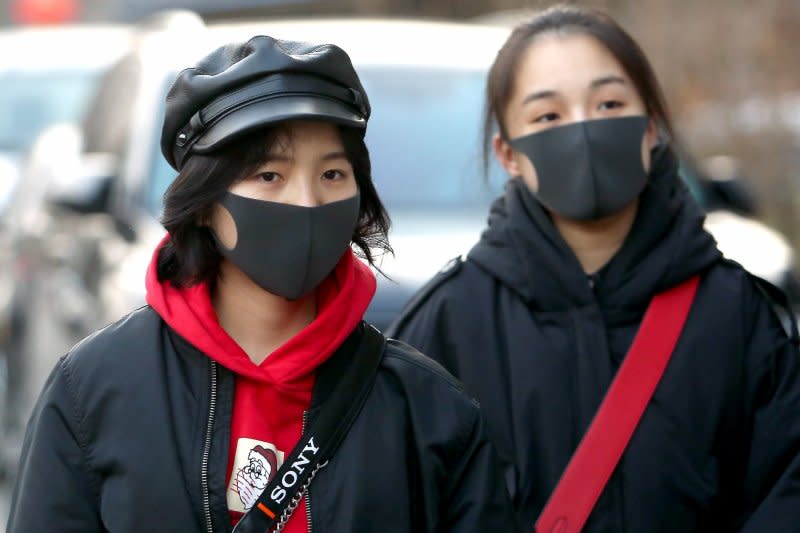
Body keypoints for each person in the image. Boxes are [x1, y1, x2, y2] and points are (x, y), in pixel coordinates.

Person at [7, 35, 518, 532]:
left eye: (333, 174)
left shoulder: (427, 407)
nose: (307, 201)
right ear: (205, 203)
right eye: (270, 176)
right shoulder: (95, 388)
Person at [388, 5, 800, 531]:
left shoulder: (738, 314)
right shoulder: (446, 326)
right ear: (508, 153)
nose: (582, 130)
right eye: (548, 116)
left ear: (651, 128)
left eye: (608, 103)